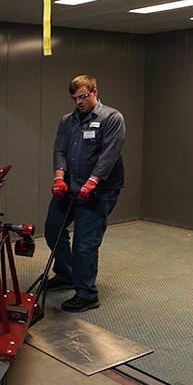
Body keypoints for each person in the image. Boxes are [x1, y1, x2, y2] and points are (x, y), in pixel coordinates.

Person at [44, 75, 125, 312]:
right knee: (52, 229)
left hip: (99, 191)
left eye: (83, 96)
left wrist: (93, 181)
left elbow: (110, 154)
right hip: (70, 187)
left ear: (94, 92)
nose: (78, 102)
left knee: (84, 243)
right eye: (74, 98)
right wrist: (59, 177)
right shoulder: (67, 120)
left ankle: (87, 294)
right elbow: (59, 149)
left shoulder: (111, 118)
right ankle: (67, 274)